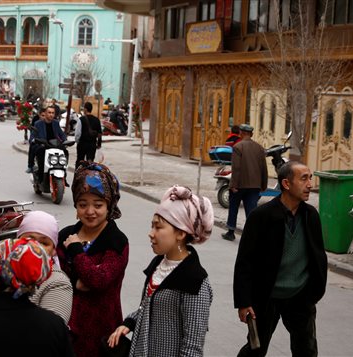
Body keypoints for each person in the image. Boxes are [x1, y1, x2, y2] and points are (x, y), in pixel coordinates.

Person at [233, 161, 327, 356]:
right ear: (286, 184)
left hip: (300, 296)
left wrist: (314, 293)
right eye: (304, 179)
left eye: (310, 178)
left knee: (306, 350)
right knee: (255, 348)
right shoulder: (261, 216)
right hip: (267, 297)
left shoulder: (311, 216)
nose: (310, 184)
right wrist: (244, 301)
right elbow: (245, 261)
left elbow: (319, 256)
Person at [108, 185, 214, 356]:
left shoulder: (195, 282)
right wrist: (128, 323)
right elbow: (149, 307)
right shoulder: (159, 265)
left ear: (180, 233)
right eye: (152, 226)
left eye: (158, 227)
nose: (151, 234)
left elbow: (192, 348)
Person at [57, 161, 129, 357]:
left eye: (98, 205)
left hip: (103, 334)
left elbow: (99, 280)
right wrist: (76, 282)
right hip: (68, 328)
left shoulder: (117, 241)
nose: (90, 211)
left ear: (109, 204)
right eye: (82, 204)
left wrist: (76, 250)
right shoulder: (65, 235)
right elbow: (55, 276)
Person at [0, 210, 73, 323]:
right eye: (28, 239)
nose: (35, 246)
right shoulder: (2, 265)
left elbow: (52, 328)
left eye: (44, 243)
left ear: (54, 250)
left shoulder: (58, 282)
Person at [222, 124, 268, 241]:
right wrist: (263, 185)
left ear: (241, 134)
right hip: (254, 185)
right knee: (251, 210)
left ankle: (231, 232)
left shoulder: (238, 147)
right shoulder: (259, 148)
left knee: (234, 207)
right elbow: (264, 168)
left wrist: (233, 185)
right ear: (251, 134)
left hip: (240, 184)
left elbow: (236, 168)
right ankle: (252, 235)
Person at [33, 106, 67, 186]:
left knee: (65, 152)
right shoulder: (38, 124)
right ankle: (40, 178)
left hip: (54, 145)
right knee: (40, 153)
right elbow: (33, 136)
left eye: (53, 113)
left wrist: (65, 140)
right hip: (43, 145)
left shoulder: (56, 123)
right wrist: (35, 140)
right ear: (45, 113)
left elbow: (61, 134)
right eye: (49, 112)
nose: (51, 115)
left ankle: (64, 177)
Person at [75, 102, 103, 168]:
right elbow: (99, 134)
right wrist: (99, 144)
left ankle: (78, 176)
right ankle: (89, 177)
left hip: (82, 144)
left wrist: (77, 141)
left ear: (85, 109)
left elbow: (77, 134)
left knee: (80, 161)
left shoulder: (81, 119)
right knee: (90, 163)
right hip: (92, 145)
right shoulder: (97, 120)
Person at [26, 107, 46, 173]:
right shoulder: (36, 122)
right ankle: (30, 165)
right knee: (33, 147)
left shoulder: (53, 122)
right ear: (39, 115)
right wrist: (33, 140)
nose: (44, 117)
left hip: (49, 143)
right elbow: (33, 132)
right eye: (42, 115)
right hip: (39, 142)